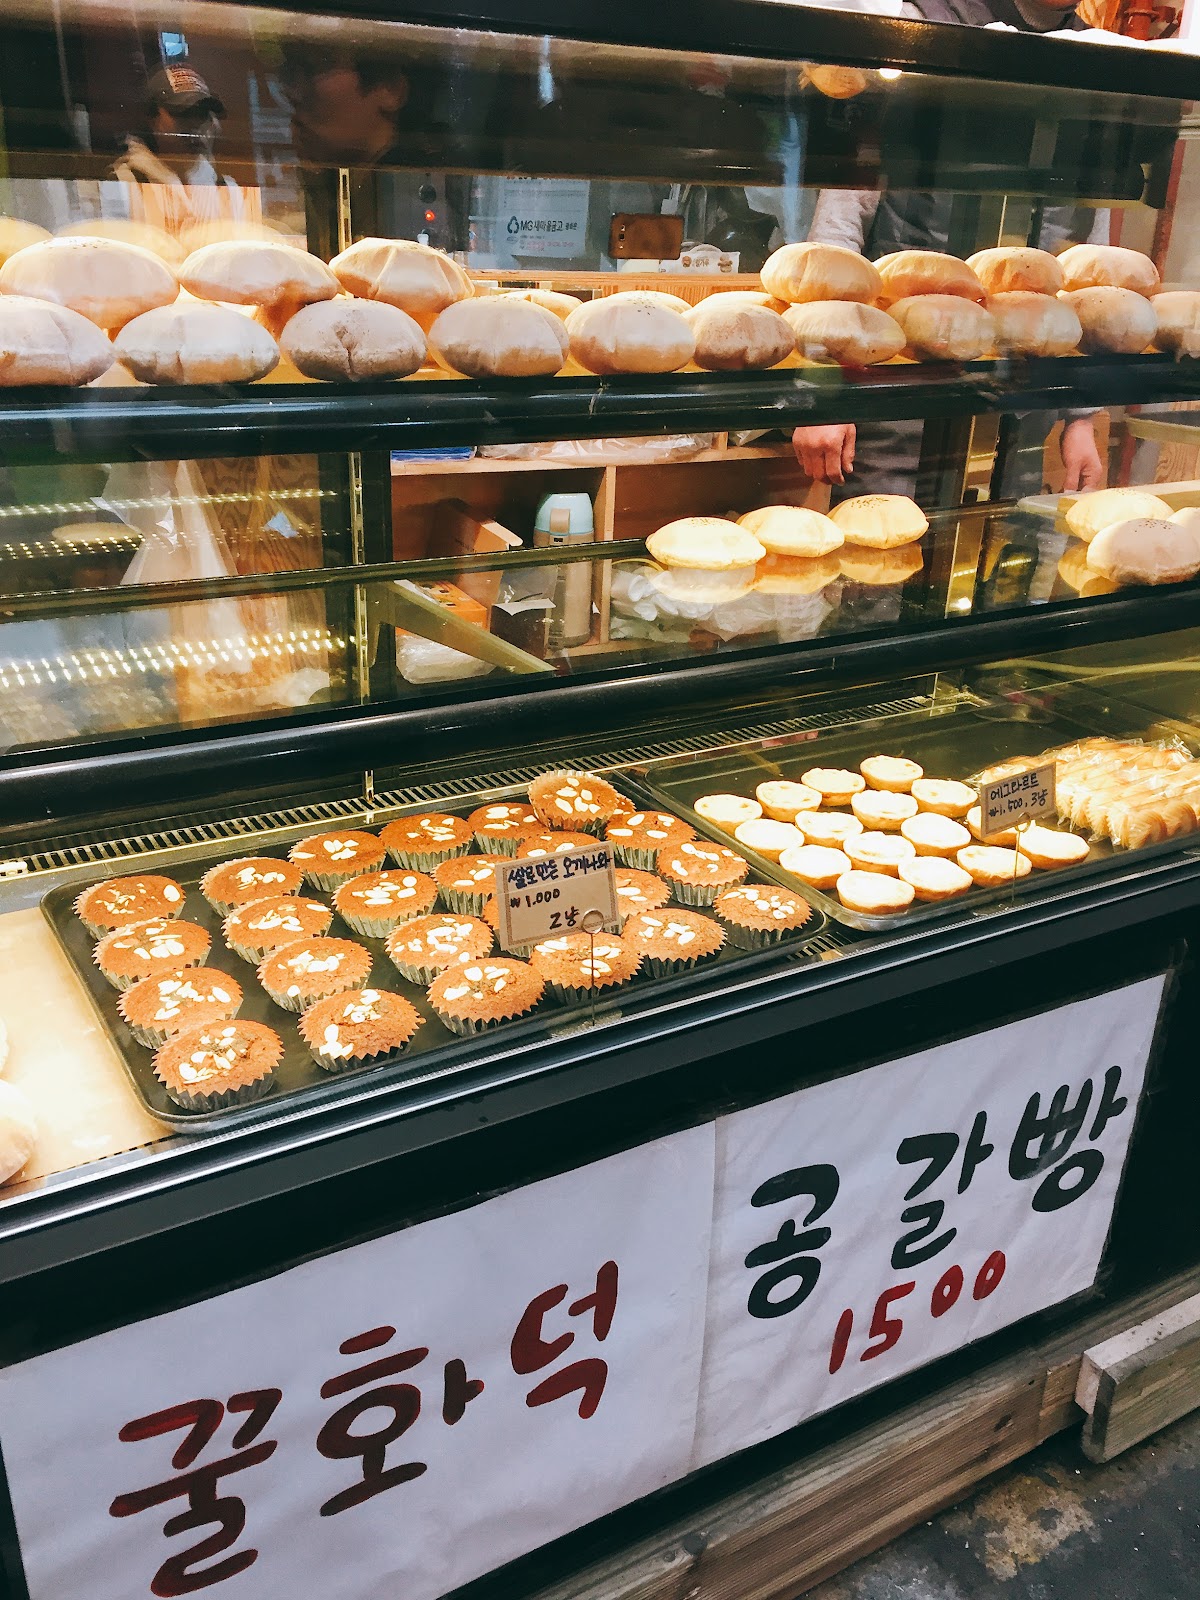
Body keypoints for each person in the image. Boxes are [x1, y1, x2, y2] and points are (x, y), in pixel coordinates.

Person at [793, 0, 1107, 501]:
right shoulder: (921, 23)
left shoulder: (1095, 56)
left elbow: (1088, 267)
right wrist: (822, 395)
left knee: (994, 553)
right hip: (897, 398)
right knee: (877, 557)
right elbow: (836, 240)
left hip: (1019, 408)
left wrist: (1082, 416)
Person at [111, 64, 245, 233]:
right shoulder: (123, 184)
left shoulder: (228, 190)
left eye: (202, 115)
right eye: (183, 113)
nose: (195, 126)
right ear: (153, 120)